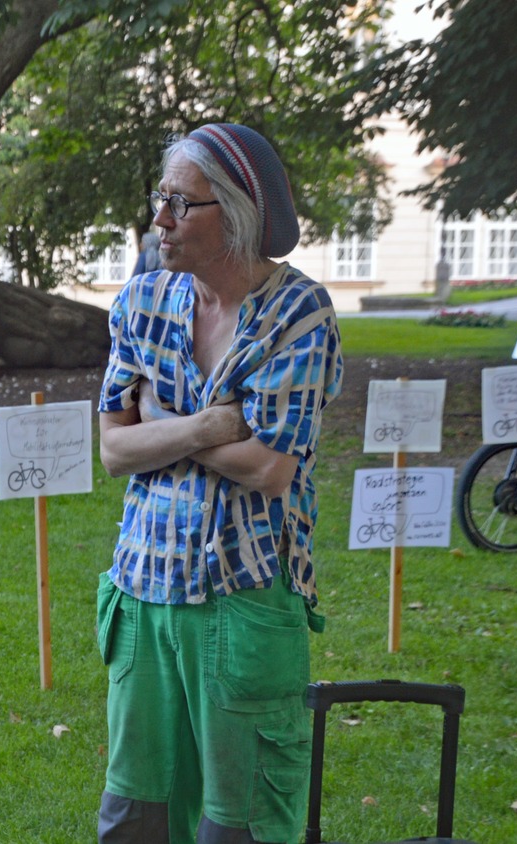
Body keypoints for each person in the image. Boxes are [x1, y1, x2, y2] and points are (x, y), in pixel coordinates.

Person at [96, 123, 343, 844]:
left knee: (239, 826)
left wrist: (160, 426)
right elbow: (114, 448)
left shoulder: (299, 315)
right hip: (142, 589)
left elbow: (270, 468)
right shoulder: (142, 303)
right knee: (136, 816)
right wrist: (205, 428)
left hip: (247, 595)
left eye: (180, 203)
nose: (160, 220)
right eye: (160, 199)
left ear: (233, 215)